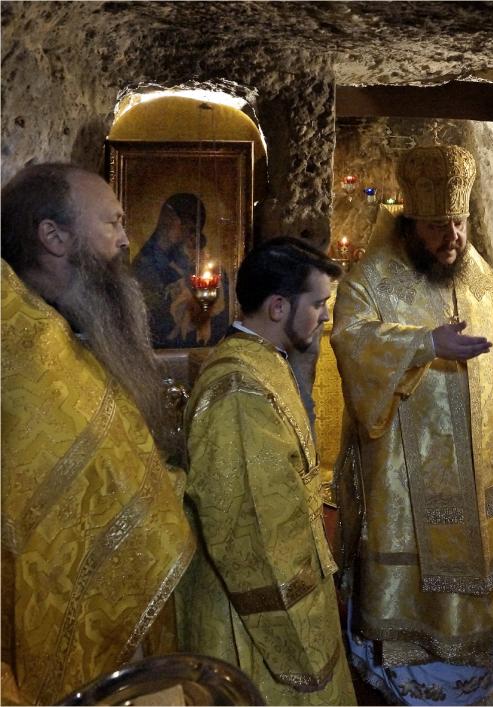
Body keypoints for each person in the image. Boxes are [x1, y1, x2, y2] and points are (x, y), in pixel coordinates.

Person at [332, 144, 493, 704]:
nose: (452, 236)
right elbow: (352, 344)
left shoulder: (481, 278)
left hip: (479, 483)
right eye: (436, 226)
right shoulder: (371, 280)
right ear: (409, 224)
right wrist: (424, 345)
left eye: (459, 222)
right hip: (404, 487)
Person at [0, 164, 194, 704]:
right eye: (113, 222)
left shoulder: (58, 328)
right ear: (53, 236)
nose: (127, 239)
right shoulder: (25, 347)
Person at [177, 237, 356, 705]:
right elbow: (253, 531)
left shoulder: (264, 361)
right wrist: (300, 639)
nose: (325, 317)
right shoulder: (239, 389)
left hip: (295, 591)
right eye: (317, 304)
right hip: (254, 625)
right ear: (278, 307)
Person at [131, 193, 230, 348]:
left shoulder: (200, 264)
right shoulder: (144, 264)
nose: (187, 233)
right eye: (183, 224)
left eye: (191, 228)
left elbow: (217, 318)